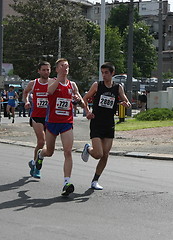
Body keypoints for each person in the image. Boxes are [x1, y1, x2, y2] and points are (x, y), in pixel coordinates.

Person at [35, 58, 84, 196]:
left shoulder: (72, 85)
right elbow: (49, 92)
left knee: (68, 152)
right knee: (49, 152)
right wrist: (59, 78)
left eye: (67, 66)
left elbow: (80, 100)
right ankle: (41, 154)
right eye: (62, 66)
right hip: (51, 123)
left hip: (66, 123)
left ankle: (66, 182)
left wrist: (83, 105)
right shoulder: (51, 81)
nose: (65, 68)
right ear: (57, 69)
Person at [81, 62, 131, 190]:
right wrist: (88, 111)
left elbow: (125, 100)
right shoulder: (97, 85)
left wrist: (127, 104)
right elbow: (85, 98)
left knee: (105, 155)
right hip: (97, 122)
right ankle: (88, 149)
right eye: (102, 73)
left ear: (112, 73)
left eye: (106, 73)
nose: (104, 75)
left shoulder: (118, 87)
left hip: (109, 124)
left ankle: (95, 181)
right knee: (98, 154)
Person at [23, 61, 51, 179]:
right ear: (39, 71)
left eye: (47, 70)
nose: (46, 72)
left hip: (49, 117)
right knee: (41, 141)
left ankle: (34, 163)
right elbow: (25, 92)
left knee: (48, 146)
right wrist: (27, 101)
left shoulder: (54, 82)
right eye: (43, 70)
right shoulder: (33, 83)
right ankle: (37, 168)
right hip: (36, 116)